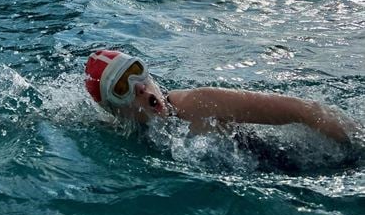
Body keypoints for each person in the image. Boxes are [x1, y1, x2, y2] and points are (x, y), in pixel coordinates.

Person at [85, 50, 359, 144]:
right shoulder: (128, 131)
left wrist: (359, 143)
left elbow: (303, 110)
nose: (140, 88)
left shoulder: (195, 103)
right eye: (122, 88)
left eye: (136, 72)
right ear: (116, 110)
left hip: (295, 164)